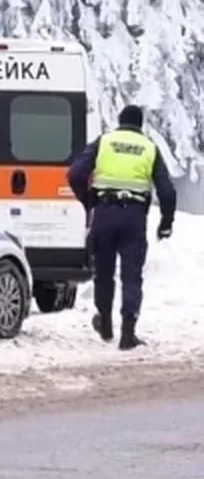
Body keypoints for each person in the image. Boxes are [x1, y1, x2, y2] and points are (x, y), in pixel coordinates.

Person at [67, 104, 176, 350]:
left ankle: (105, 320)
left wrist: (89, 202)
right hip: (134, 218)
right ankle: (128, 333)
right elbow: (167, 191)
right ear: (140, 124)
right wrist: (165, 223)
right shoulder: (149, 148)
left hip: (104, 213)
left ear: (119, 120)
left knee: (103, 272)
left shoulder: (104, 142)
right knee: (131, 275)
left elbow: (75, 174)